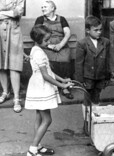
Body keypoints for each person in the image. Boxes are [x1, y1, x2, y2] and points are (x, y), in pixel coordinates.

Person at [25, 24, 73, 156]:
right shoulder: (39, 53)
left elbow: (49, 71)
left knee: (39, 118)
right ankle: (32, 150)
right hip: (41, 87)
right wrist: (61, 85)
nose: (49, 42)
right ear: (37, 40)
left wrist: (62, 80)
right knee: (47, 120)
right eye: (46, 40)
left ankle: (37, 145)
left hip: (38, 86)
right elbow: (45, 76)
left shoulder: (36, 49)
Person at [34, 0, 74, 99]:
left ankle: (64, 88)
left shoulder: (62, 19)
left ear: (52, 8)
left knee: (65, 59)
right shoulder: (40, 19)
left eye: (45, 7)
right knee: (49, 63)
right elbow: (37, 36)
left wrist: (60, 45)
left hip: (61, 45)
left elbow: (67, 33)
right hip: (46, 45)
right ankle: (52, 87)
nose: (42, 9)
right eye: (42, 7)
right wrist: (49, 46)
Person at [75, 15, 110, 105]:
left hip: (100, 75)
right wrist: (80, 80)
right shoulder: (82, 43)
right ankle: (87, 117)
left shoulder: (105, 42)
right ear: (87, 31)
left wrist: (107, 76)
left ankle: (95, 115)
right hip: (88, 77)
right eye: (96, 30)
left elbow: (108, 61)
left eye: (100, 29)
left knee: (96, 96)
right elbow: (79, 63)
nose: (99, 32)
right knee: (88, 97)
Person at [0, 0, 26, 113]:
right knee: (0, 64)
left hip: (14, 31)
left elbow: (17, 12)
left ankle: (16, 98)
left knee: (14, 65)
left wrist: (2, 13)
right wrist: (11, 12)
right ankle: (5, 92)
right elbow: (13, 13)